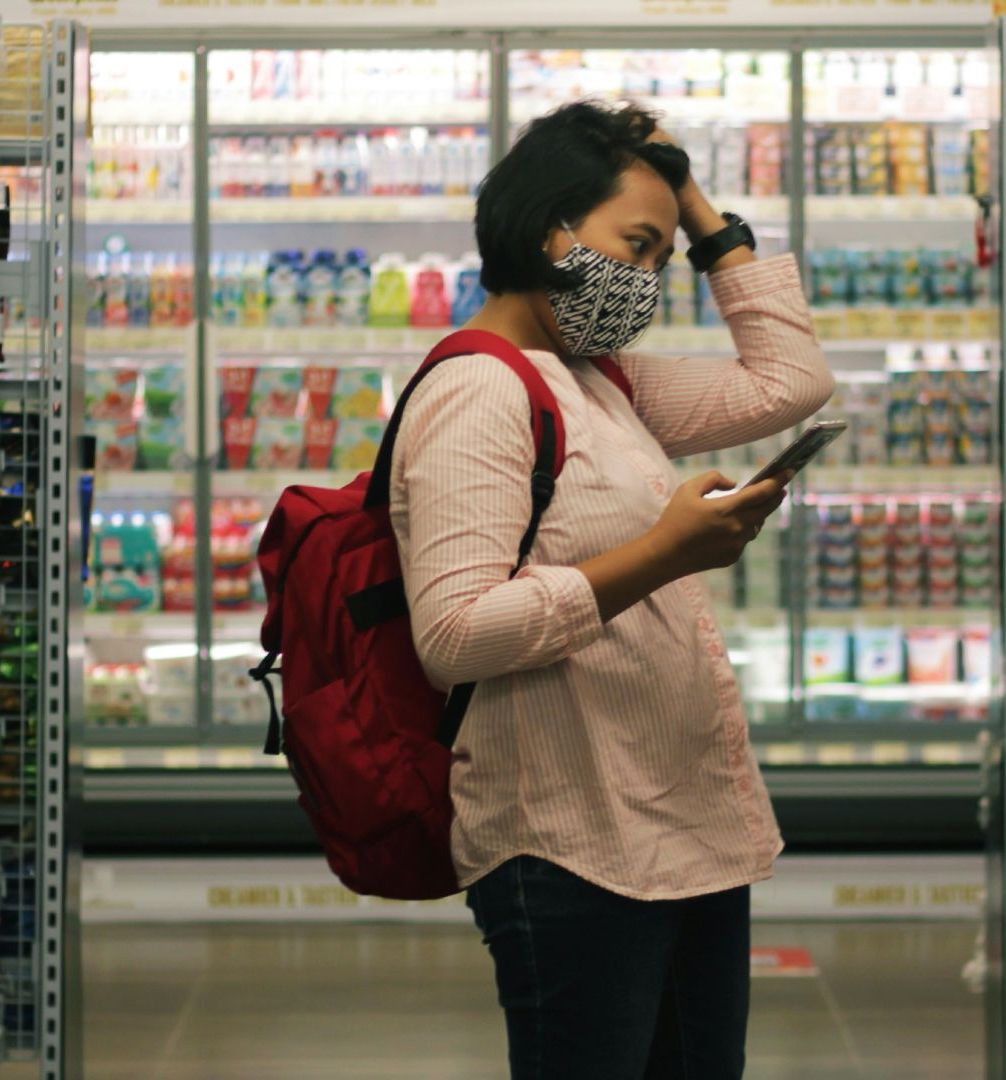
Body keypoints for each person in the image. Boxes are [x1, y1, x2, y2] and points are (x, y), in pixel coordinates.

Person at [387, 100, 834, 1079]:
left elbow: (793, 380)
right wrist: (666, 553)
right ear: (553, 228)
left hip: (680, 828)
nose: (644, 281)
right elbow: (456, 636)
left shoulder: (599, 380)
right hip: (571, 845)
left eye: (661, 259)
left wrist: (696, 208)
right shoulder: (480, 391)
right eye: (635, 245)